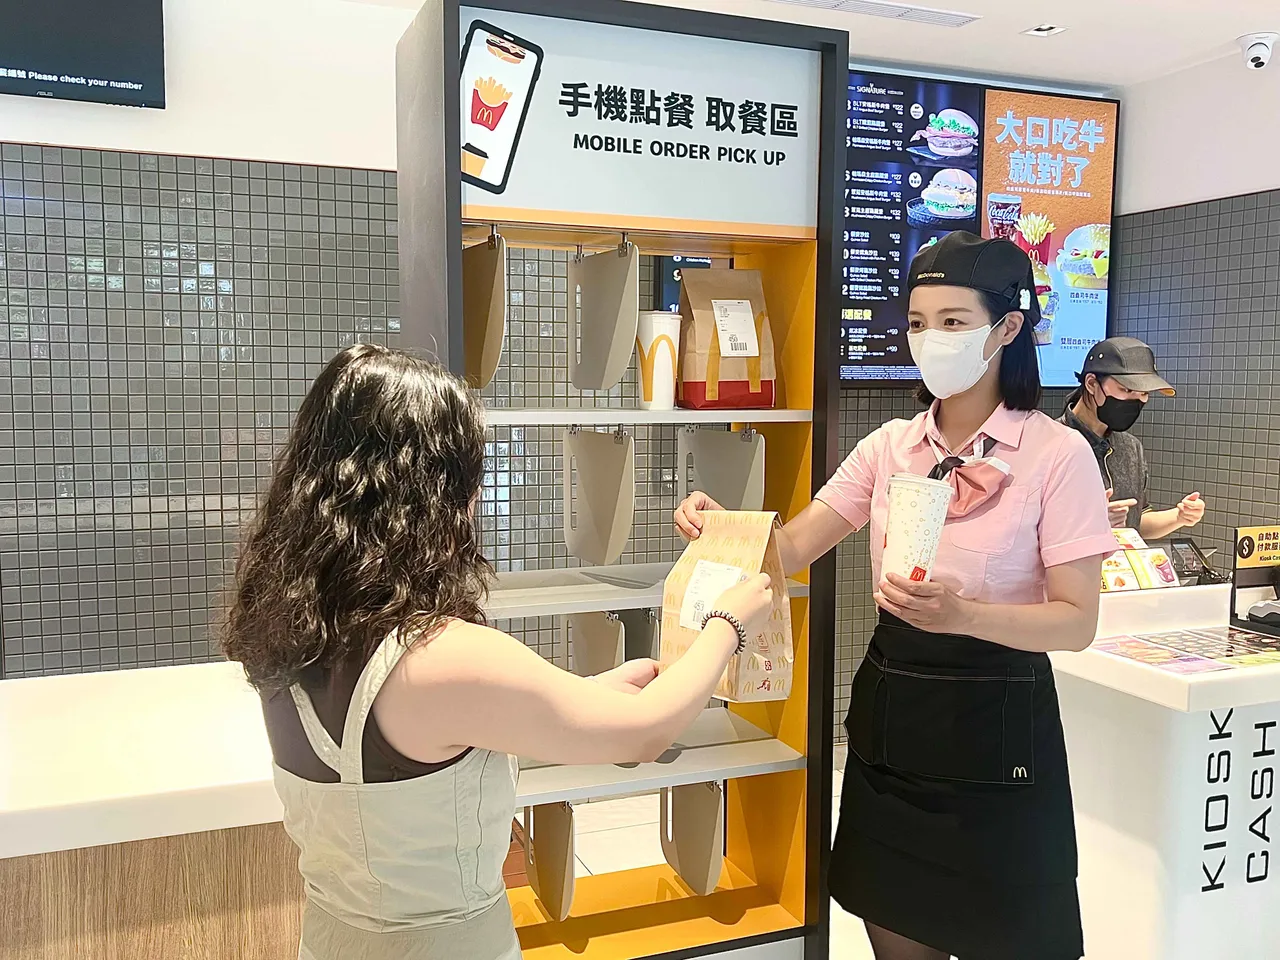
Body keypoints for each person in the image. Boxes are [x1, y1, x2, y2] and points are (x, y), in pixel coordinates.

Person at [223, 343, 772, 960]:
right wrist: (727, 623)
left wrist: (588, 695)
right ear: (431, 493)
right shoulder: (440, 655)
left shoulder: (290, 635)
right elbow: (644, 732)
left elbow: (438, 738)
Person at [675, 232, 1117, 960]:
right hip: (895, 724)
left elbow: (1076, 623)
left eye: (952, 321)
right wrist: (720, 527)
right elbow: (790, 549)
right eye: (917, 322)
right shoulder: (889, 446)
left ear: (1008, 328)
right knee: (896, 933)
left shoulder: (1056, 454)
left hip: (999, 735)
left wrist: (964, 614)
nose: (929, 338)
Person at [1059, 336, 1207, 537]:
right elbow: (1029, 529)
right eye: (1127, 390)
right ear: (1092, 383)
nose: (1136, 400)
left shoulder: (1131, 447)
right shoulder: (1051, 443)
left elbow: (1136, 523)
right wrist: (1093, 523)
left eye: (1144, 393)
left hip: (1122, 558)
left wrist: (1179, 517)